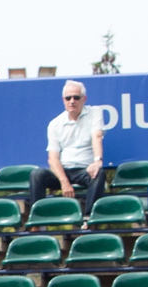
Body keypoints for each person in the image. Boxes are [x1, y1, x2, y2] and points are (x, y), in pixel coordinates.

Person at [35, 80, 107, 214]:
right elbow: (52, 159)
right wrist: (64, 182)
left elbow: (97, 136)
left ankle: (89, 219)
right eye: (68, 98)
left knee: (99, 173)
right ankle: (37, 220)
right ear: (63, 100)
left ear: (84, 99)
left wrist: (97, 161)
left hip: (85, 170)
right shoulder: (55, 124)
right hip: (63, 171)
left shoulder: (95, 112)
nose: (72, 101)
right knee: (36, 174)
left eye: (76, 97)